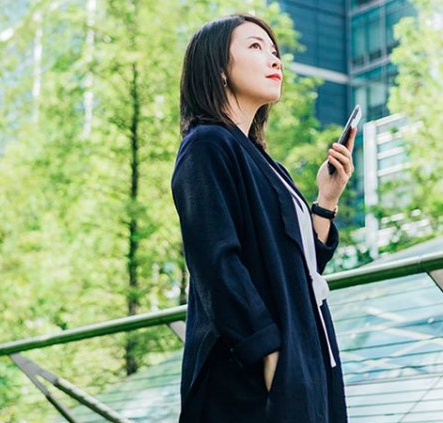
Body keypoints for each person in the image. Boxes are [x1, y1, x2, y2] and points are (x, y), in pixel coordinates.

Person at [171, 13, 356, 423]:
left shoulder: (267, 165)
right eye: (255, 47)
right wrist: (268, 354)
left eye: (275, 51)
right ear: (219, 69)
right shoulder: (207, 145)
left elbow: (300, 269)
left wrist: (326, 199)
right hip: (250, 373)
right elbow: (217, 264)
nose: (274, 59)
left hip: (305, 354)